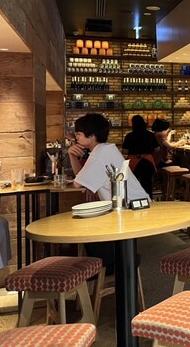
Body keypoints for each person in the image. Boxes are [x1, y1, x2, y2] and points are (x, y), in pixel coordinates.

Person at [68, 113, 150, 274]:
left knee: (86, 228)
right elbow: (81, 178)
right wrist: (72, 155)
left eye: (79, 134)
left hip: (130, 209)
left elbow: (77, 183)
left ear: (92, 135)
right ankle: (116, 263)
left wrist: (72, 155)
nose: (76, 138)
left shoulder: (100, 154)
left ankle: (110, 266)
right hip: (131, 207)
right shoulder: (104, 150)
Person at [122, 115, 160, 197]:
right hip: (148, 161)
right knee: (147, 184)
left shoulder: (129, 135)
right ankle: (149, 199)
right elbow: (157, 149)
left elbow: (125, 151)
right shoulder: (150, 135)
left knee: (133, 184)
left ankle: (135, 199)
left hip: (133, 162)